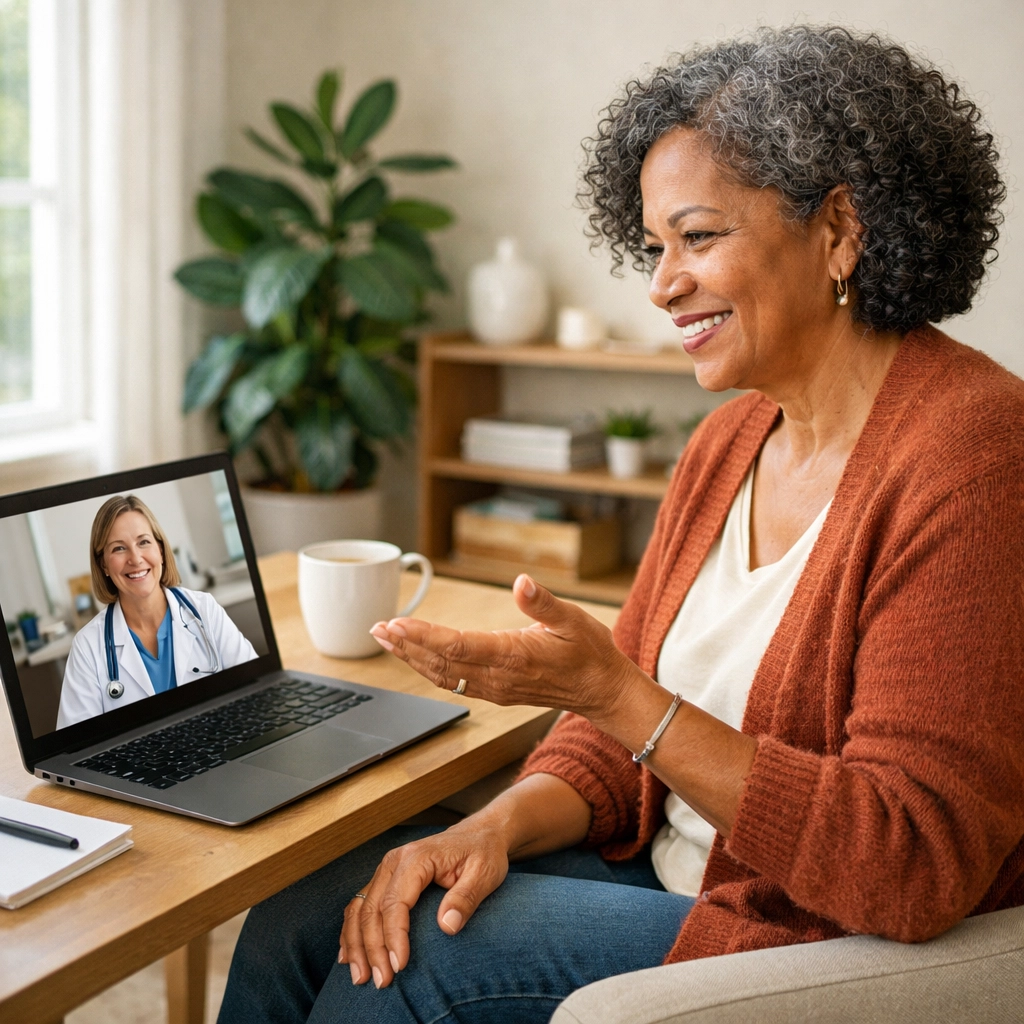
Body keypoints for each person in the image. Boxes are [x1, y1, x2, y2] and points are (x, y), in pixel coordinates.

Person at [219, 26, 1024, 1024]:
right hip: (669, 869)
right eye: (653, 247)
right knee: (301, 912)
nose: (661, 284)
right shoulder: (729, 441)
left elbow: (909, 864)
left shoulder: (975, 454)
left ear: (839, 229)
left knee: (408, 960)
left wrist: (617, 695)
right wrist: (500, 825)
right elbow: (617, 741)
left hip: (809, 932)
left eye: (698, 237)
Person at [56, 494, 258, 729]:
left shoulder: (204, 610)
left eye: (144, 542)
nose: (135, 558)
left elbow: (255, 690)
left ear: (160, 550)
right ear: (104, 565)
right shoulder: (88, 647)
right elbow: (75, 747)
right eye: (119, 548)